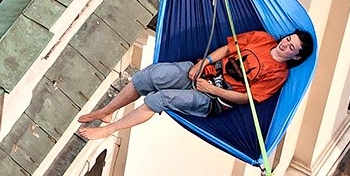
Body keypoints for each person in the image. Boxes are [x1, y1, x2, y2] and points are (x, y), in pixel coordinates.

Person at [75, 29, 314, 140]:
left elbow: (247, 98)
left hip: (214, 98)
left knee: (160, 99)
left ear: (295, 57)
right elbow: (226, 49)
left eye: (291, 47)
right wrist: (204, 63)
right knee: (150, 76)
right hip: (202, 70)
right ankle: (108, 111)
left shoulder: (278, 75)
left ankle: (109, 129)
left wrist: (212, 90)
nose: (286, 44)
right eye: (288, 39)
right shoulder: (261, 38)